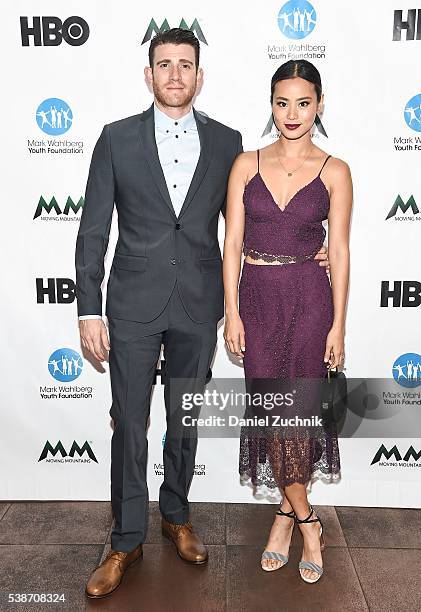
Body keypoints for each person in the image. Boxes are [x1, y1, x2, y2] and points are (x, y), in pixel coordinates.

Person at [76, 29, 330, 598]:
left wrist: (311, 245)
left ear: (199, 75)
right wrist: (89, 310)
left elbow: (255, 221)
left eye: (184, 65)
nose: (174, 75)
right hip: (133, 304)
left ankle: (177, 516)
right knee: (131, 424)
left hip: (198, 303)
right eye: (163, 65)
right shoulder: (115, 139)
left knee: (185, 418)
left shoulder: (228, 143)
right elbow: (93, 230)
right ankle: (125, 538)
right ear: (149, 74)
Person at [223, 59, 352, 584]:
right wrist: (230, 309)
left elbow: (339, 252)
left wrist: (338, 325)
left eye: (303, 102)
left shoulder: (335, 170)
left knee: (294, 416)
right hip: (256, 299)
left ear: (319, 104)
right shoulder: (245, 164)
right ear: (270, 104)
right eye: (282, 102)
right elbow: (231, 242)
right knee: (271, 411)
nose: (292, 113)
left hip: (308, 299)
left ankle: (297, 521)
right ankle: (299, 517)